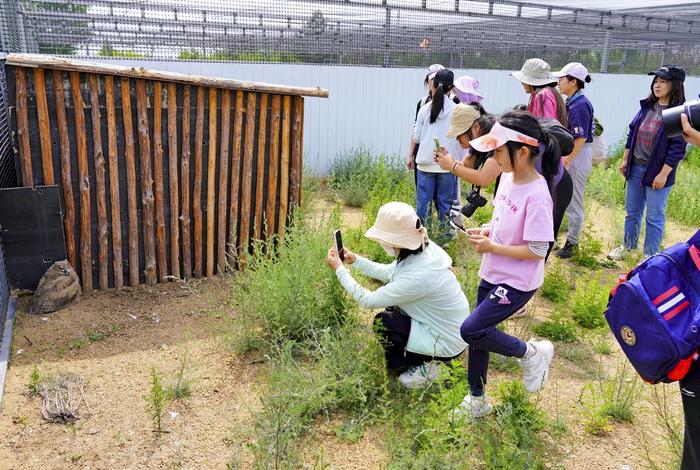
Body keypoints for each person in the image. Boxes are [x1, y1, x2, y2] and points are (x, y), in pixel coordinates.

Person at [450, 111, 557, 420]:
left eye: (498, 150)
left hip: (517, 282)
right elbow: (505, 221)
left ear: (522, 152)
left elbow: (538, 249)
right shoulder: (508, 178)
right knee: (479, 333)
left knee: (471, 329)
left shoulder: (538, 196)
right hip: (494, 270)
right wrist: (487, 230)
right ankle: (477, 399)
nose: (493, 157)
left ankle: (532, 353)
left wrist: (493, 246)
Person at [325, 202, 469, 389]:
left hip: (445, 343)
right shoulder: (424, 249)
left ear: (396, 241)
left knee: (385, 322)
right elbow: (390, 272)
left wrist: (339, 270)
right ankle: (423, 358)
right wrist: (356, 261)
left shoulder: (417, 276)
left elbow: (367, 300)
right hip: (454, 332)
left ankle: (432, 365)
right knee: (391, 304)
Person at [435, 106, 573, 260]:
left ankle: (530, 278)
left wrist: (451, 166)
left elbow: (484, 178)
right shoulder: (487, 140)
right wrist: (450, 161)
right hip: (529, 188)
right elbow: (468, 167)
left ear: (475, 127)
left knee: (540, 240)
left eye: (459, 133)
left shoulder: (500, 139)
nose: (457, 139)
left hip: (557, 186)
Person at [608, 65, 687, 260]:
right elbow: (632, 132)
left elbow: (677, 148)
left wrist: (663, 174)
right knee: (632, 212)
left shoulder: (677, 113)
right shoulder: (647, 106)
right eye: (656, 81)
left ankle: (650, 255)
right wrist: (626, 159)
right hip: (636, 167)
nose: (657, 85)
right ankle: (628, 247)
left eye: (663, 81)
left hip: (658, 172)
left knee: (654, 216)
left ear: (675, 85)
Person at [409, 68, 464, 237]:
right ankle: (443, 239)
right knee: (445, 204)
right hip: (447, 165)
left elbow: (416, 137)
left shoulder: (424, 109)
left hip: (426, 164)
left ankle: (422, 240)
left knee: (423, 205)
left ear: (433, 84)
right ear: (451, 88)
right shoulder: (457, 110)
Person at [552, 62, 595, 259]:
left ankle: (572, 242)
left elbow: (581, 137)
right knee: (562, 198)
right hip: (573, 153)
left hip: (578, 153)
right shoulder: (572, 102)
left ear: (573, 82)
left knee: (574, 198)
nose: (559, 82)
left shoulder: (580, 105)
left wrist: (568, 159)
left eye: (562, 79)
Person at [408, 64, 445, 186]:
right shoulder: (422, 103)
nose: (435, 82)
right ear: (427, 81)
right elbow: (416, 131)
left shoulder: (453, 101)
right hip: (423, 155)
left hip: (444, 155)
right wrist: (410, 155)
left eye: (439, 79)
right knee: (423, 194)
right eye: (432, 79)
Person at [511, 58, 568, 126]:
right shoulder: (541, 93)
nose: (522, 83)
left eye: (523, 80)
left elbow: (547, 127)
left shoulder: (543, 95)